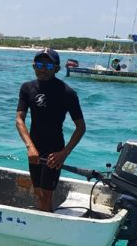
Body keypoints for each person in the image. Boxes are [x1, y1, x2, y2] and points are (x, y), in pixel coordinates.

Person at [16, 48, 86, 212]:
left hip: (55, 151)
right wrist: (30, 147)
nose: (43, 69)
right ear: (34, 66)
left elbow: (81, 127)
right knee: (39, 192)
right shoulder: (27, 88)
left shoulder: (67, 93)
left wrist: (64, 153)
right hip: (34, 149)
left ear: (57, 69)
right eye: (40, 64)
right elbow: (19, 120)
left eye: (48, 66)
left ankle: (44, 233)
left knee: (46, 196)